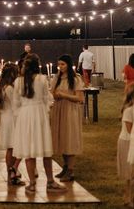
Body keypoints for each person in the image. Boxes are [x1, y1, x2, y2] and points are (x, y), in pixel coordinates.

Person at [12, 54, 67, 194]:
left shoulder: (18, 81)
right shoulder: (42, 79)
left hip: (24, 116)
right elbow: (46, 98)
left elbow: (15, 103)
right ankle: (50, 182)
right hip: (38, 114)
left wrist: (21, 115)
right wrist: (46, 109)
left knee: (29, 152)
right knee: (45, 150)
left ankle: (32, 184)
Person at [51, 54, 84, 182]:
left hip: (70, 111)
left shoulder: (75, 79)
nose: (60, 67)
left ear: (68, 65)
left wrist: (64, 96)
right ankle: (65, 167)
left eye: (63, 64)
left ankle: (70, 170)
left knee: (69, 138)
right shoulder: (57, 78)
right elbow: (52, 92)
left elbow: (79, 98)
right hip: (59, 110)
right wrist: (55, 95)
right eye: (59, 64)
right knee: (62, 138)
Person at [0, 63, 25, 186]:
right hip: (12, 118)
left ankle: (11, 173)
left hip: (7, 118)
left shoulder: (2, 86)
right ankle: (12, 172)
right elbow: (16, 104)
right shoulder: (10, 88)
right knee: (15, 147)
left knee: (11, 147)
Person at [118, 84, 134, 206]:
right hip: (127, 142)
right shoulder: (129, 111)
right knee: (129, 173)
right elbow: (130, 130)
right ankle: (127, 197)